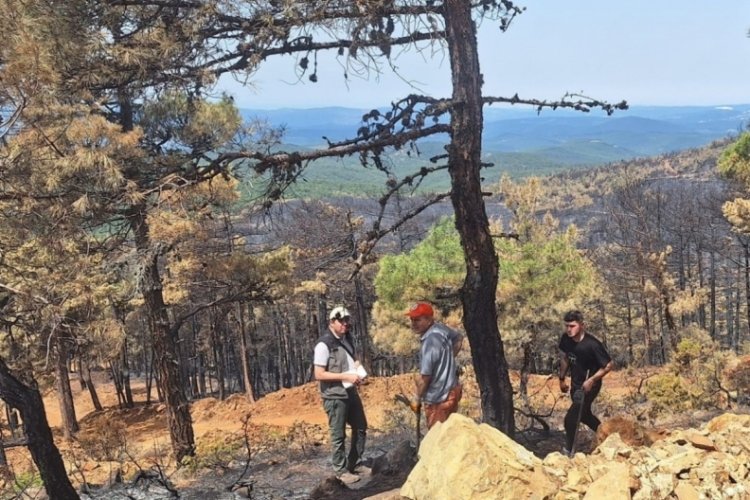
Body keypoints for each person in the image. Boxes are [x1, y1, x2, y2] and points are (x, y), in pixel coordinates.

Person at [313, 306, 368, 484]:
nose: (345, 324)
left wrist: (360, 373)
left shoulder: (347, 339)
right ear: (332, 322)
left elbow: (354, 359)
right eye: (341, 321)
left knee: (360, 427)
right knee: (338, 434)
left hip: (350, 391)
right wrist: (345, 376)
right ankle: (341, 470)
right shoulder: (323, 345)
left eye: (347, 320)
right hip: (334, 395)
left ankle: (355, 463)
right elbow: (319, 374)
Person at [558, 310, 613, 456]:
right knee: (584, 415)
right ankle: (609, 437)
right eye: (567, 326)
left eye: (573, 326)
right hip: (576, 384)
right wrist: (562, 379)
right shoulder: (566, 339)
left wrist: (592, 380)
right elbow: (565, 358)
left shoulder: (592, 344)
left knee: (571, 419)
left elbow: (608, 365)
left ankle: (568, 451)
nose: (569, 329)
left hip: (590, 385)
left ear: (582, 325)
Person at [407, 301, 463, 429]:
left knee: (438, 441)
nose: (413, 324)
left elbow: (425, 378)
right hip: (451, 393)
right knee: (449, 436)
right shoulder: (440, 329)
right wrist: (447, 359)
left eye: (418, 320)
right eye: (412, 320)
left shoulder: (430, 342)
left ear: (429, 319)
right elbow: (459, 337)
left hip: (438, 399)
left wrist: (416, 398)